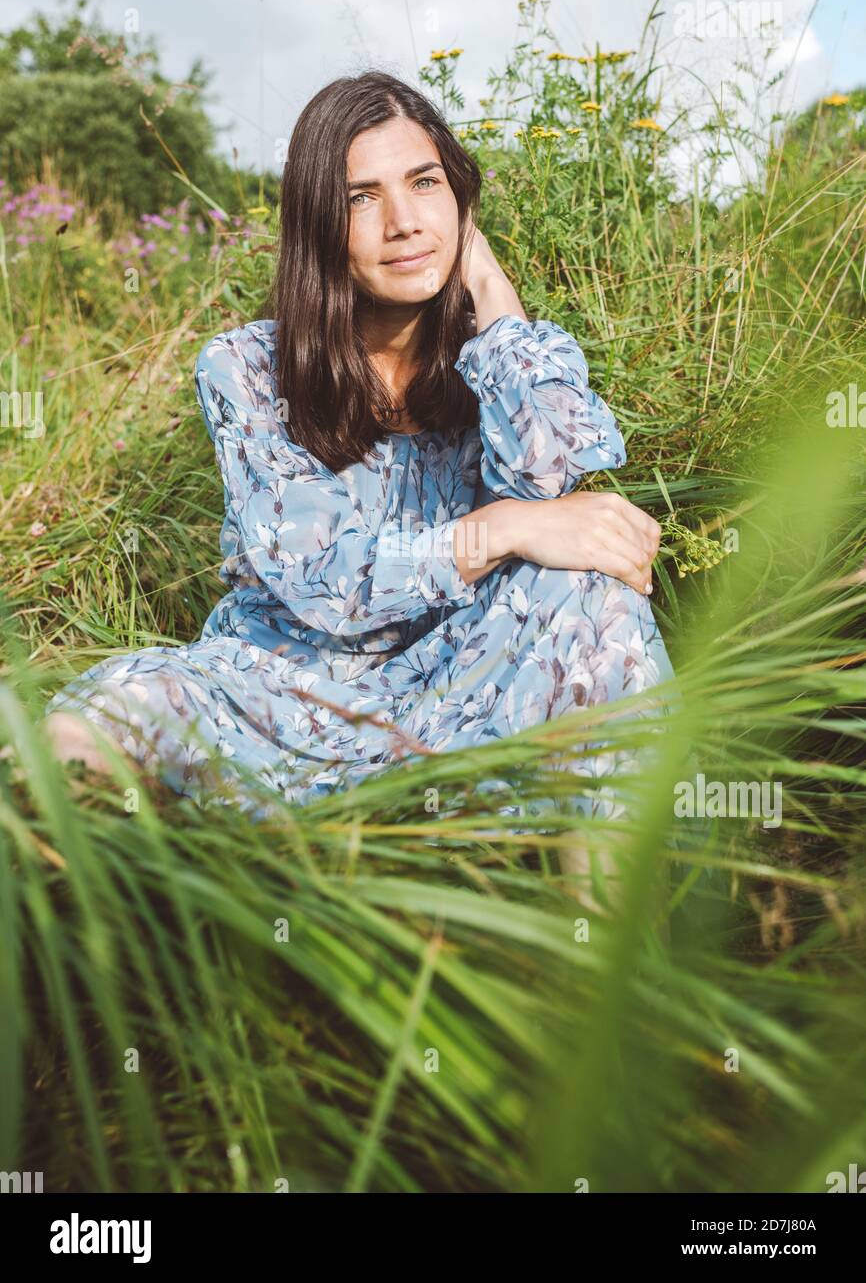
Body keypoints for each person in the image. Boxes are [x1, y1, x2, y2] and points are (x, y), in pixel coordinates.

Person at [43, 69, 673, 882]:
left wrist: (488, 285)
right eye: (360, 198)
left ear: (462, 201)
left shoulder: (493, 360)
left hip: (460, 682)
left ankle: (614, 959)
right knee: (91, 723)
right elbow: (321, 576)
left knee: (591, 588)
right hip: (278, 699)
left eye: (426, 184)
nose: (405, 222)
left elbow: (559, 478)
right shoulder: (245, 367)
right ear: (318, 223)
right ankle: (95, 939)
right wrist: (500, 528)